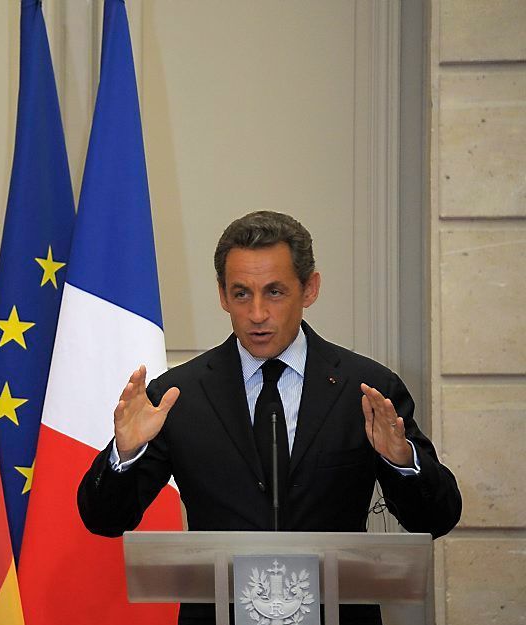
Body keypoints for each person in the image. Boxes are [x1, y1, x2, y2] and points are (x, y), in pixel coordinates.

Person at [77, 211, 461, 625]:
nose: (257, 313)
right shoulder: (178, 396)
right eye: (241, 294)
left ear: (309, 288)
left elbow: (436, 518)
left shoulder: (366, 390)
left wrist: (401, 463)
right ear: (222, 296)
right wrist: (125, 453)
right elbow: (104, 520)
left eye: (274, 292)